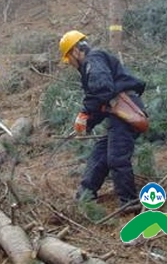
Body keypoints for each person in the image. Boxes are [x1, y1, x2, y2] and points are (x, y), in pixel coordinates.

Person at [58, 30, 147, 206]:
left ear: (76, 51)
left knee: (116, 157)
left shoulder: (93, 60)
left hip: (125, 109)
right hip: (117, 110)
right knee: (100, 154)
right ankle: (86, 194)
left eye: (69, 58)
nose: (71, 64)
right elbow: (102, 100)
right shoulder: (93, 64)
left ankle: (129, 202)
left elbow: (103, 90)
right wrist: (87, 123)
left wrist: (84, 113)